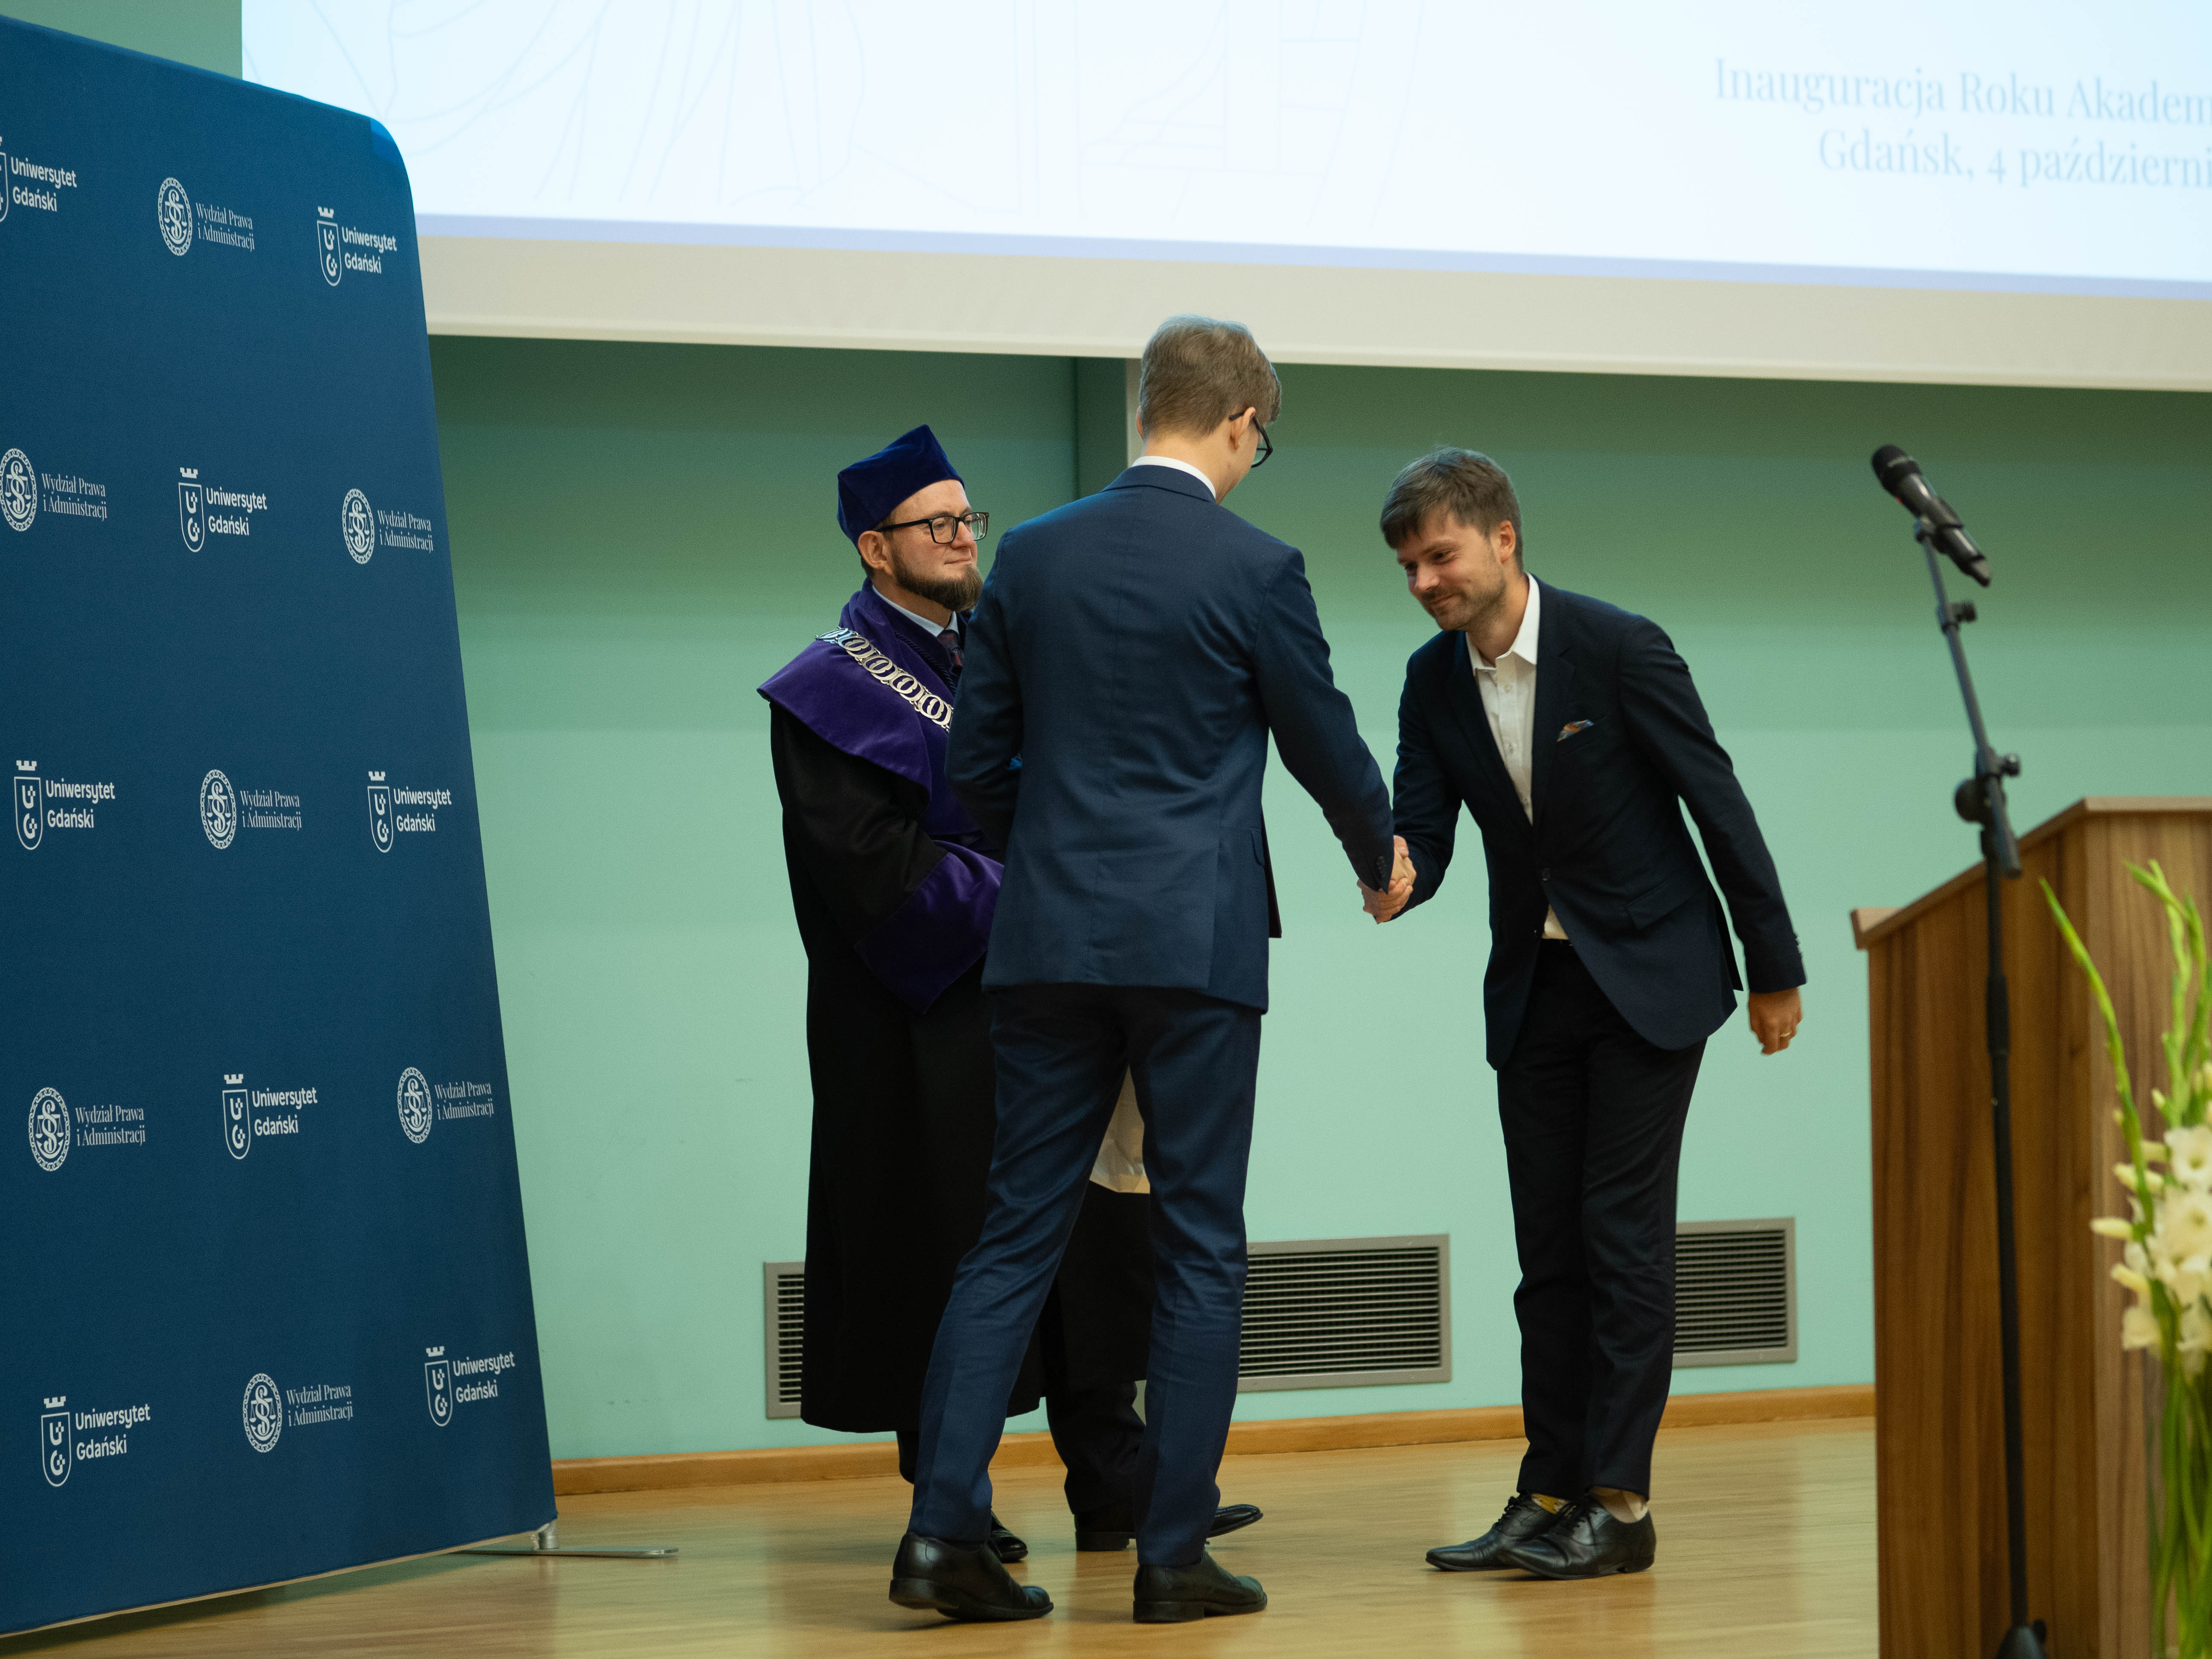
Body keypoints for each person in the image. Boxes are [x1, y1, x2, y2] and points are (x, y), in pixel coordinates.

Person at [888, 317, 1409, 1625]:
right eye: (1260, 443)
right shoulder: (1257, 566)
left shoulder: (1032, 555)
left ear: (1143, 411)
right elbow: (1321, 736)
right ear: (1240, 422)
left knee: (1015, 1236)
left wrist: (1064, 854)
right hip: (1194, 945)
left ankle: (940, 1536)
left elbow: (974, 770)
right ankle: (1170, 1555)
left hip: (1047, 944)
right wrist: (1381, 854)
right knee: (1198, 1245)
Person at [758, 426, 1258, 1563]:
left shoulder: (998, 652)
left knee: (1099, 1235)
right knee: (941, 1247)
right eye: (936, 523)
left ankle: (1115, 1481)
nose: (960, 538)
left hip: (1052, 993)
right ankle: (954, 1504)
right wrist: (1047, 888)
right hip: (918, 1018)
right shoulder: (827, 690)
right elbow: (875, 873)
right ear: (875, 548)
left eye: (967, 519)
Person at [1370, 448, 1804, 1578]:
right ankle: (1551, 1489)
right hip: (1537, 991)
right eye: (1409, 567)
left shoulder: (1619, 647)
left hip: (1652, 981)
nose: (1424, 582)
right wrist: (1397, 870)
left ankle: (1622, 1502)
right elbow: (1426, 821)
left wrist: (1775, 966)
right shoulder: (1430, 680)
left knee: (1622, 1242)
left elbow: (1717, 803)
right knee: (1549, 1255)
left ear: (1504, 538)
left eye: (1440, 556)